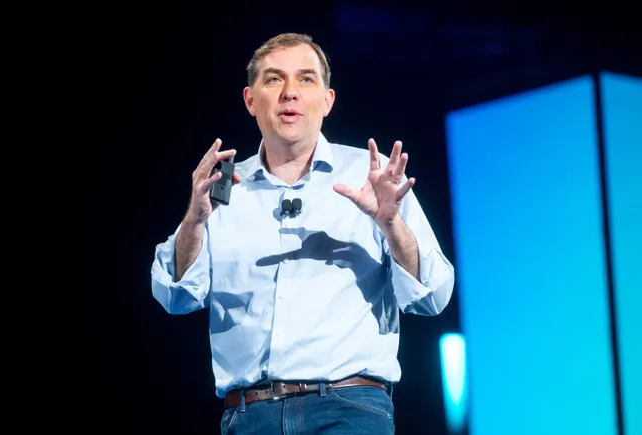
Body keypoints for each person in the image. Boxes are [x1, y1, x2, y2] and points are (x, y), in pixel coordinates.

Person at [151, 32, 454, 435]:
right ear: (250, 100)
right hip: (249, 415)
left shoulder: (370, 173)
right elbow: (174, 296)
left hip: (348, 408)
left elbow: (433, 296)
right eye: (274, 79)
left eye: (306, 79)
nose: (290, 92)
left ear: (327, 101)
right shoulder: (223, 187)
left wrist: (391, 224)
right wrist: (194, 219)